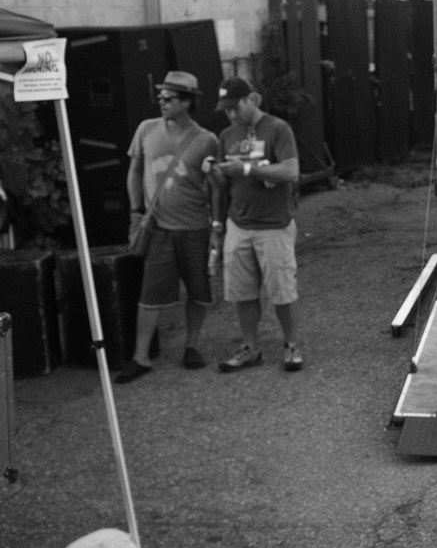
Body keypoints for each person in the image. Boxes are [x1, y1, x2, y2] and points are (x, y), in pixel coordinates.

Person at [115, 70, 222, 383]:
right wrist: (135, 209)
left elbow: (216, 186)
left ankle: (192, 346)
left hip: (195, 228)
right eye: (160, 96)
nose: (161, 101)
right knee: (150, 293)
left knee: (199, 291)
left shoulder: (207, 140)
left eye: (169, 97)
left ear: (187, 102)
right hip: (158, 227)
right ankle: (141, 357)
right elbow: (134, 171)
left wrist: (216, 225)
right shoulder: (146, 129)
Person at [209, 78, 304, 373]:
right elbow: (224, 185)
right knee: (241, 291)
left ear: (252, 99)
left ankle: (291, 345)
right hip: (239, 223)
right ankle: (250, 347)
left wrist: (247, 168)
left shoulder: (278, 129)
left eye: (235, 108)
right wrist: (215, 172)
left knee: (282, 289)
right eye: (226, 111)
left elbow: (291, 171)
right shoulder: (226, 135)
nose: (232, 115)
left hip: (274, 224)